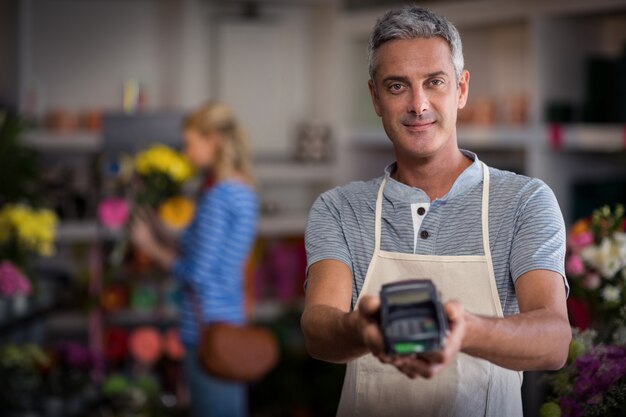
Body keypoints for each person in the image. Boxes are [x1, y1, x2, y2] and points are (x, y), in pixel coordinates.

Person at [300, 6, 571, 417]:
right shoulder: (339, 209)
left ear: (461, 89)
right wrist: (359, 329)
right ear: (375, 97)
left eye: (434, 82)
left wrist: (465, 330)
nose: (418, 104)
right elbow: (318, 331)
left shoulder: (524, 201)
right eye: (397, 86)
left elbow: (554, 341)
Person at [130, 102, 259, 417]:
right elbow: (205, 250)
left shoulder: (219, 196)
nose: (186, 153)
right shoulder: (240, 189)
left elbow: (198, 274)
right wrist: (161, 229)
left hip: (206, 331)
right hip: (227, 320)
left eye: (190, 143)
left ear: (212, 139)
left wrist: (150, 246)